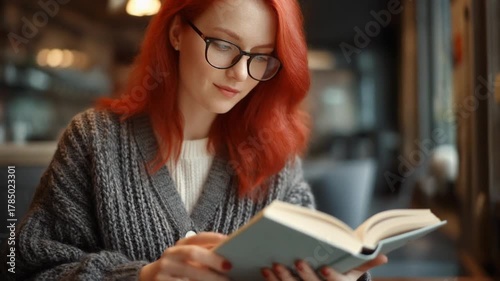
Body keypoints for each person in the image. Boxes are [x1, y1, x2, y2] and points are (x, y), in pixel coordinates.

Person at [0, 0, 387, 280]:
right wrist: (142, 277)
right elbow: (26, 266)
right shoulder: (94, 141)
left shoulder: (275, 155)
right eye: (222, 44)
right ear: (176, 33)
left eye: (261, 57)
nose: (239, 73)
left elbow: (313, 256)